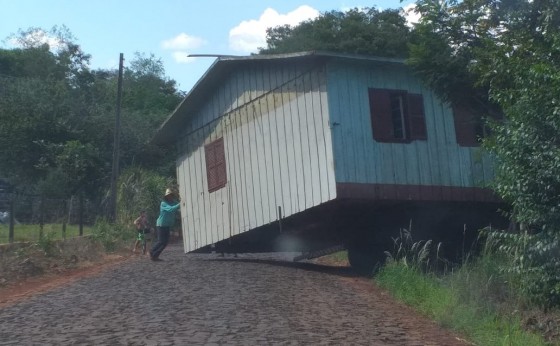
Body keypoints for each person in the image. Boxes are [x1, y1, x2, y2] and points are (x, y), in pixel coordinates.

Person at [149, 188, 181, 261]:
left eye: (171, 195)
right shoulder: (163, 203)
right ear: (166, 196)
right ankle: (152, 251)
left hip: (167, 225)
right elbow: (171, 209)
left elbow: (178, 207)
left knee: (165, 242)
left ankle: (155, 255)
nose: (170, 197)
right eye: (168, 195)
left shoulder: (174, 202)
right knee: (161, 241)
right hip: (161, 224)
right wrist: (180, 204)